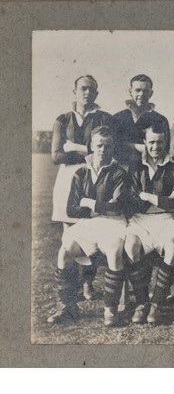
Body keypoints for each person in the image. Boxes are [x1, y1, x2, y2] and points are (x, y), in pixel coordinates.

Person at [47, 126, 129, 327]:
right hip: (87, 224)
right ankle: (68, 308)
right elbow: (71, 210)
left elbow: (117, 207)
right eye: (99, 145)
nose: (103, 150)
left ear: (113, 148)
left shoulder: (119, 173)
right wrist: (100, 208)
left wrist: (88, 203)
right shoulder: (80, 173)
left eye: (108, 146)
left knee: (114, 250)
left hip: (114, 223)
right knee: (65, 251)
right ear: (91, 146)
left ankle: (110, 310)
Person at [51, 75, 112, 300]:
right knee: (70, 235)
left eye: (92, 90)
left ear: (96, 93)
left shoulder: (103, 117)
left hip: (91, 174)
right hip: (67, 177)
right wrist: (87, 149)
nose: (87, 93)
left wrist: (76, 147)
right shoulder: (62, 119)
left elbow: (106, 149)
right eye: (83, 89)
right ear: (74, 91)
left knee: (90, 230)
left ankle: (88, 283)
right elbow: (56, 156)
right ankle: (73, 286)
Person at [124, 124, 174, 325]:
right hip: (140, 220)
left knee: (173, 246)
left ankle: (156, 305)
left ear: (165, 143)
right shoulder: (135, 167)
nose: (155, 146)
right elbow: (131, 201)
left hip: (167, 220)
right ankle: (142, 303)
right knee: (131, 245)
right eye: (151, 142)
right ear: (145, 143)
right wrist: (163, 199)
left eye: (159, 142)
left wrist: (147, 196)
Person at [111, 74, 170, 165]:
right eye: (137, 90)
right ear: (130, 92)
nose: (141, 94)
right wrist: (140, 147)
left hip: (150, 169)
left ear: (151, 93)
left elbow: (164, 149)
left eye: (145, 91)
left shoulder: (161, 120)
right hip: (124, 168)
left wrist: (127, 145)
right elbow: (113, 147)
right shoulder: (117, 118)